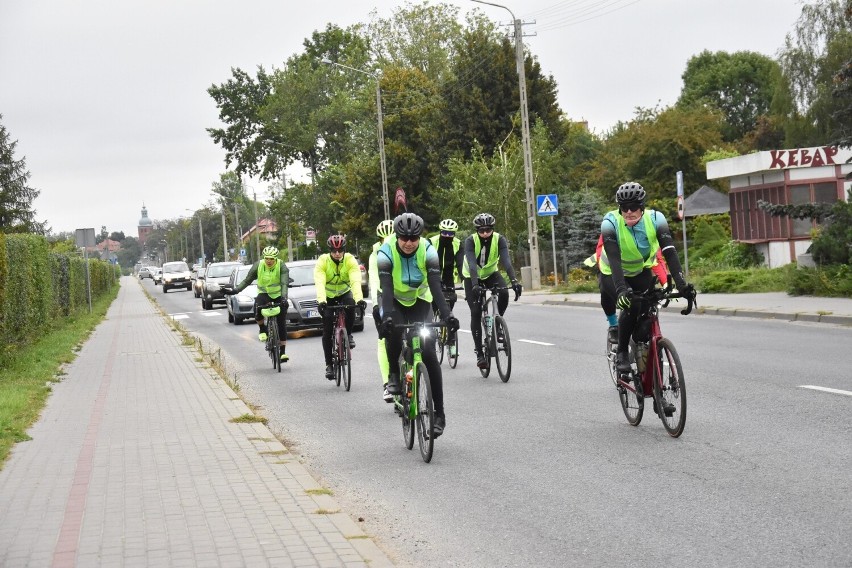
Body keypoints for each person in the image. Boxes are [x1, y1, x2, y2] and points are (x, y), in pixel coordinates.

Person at [600, 181, 695, 375]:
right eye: (624, 207)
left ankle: (646, 351)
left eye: (633, 207)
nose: (628, 212)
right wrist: (621, 290)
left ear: (642, 207)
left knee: (648, 308)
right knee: (630, 304)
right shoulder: (610, 222)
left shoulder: (656, 219)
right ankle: (622, 354)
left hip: (640, 271)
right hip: (613, 273)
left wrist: (682, 284)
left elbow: (668, 250)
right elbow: (614, 259)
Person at [378, 212, 459, 438]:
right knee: (393, 329)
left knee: (429, 353)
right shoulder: (386, 252)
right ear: (397, 235)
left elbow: (435, 286)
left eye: (414, 238)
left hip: (420, 299)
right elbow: (386, 288)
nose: (409, 243)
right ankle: (394, 374)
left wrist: (447, 315)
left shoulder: (428, 250)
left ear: (420, 237)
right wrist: (386, 318)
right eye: (404, 238)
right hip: (392, 297)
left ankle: (439, 414)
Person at [462, 213, 522, 369]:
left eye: (488, 230)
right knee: (475, 312)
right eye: (481, 230)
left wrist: (514, 281)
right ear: (477, 230)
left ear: (492, 229)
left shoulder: (499, 239)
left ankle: (497, 323)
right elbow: (472, 263)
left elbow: (506, 261)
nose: (485, 233)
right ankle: (479, 353)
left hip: (490, 274)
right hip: (471, 276)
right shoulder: (470, 241)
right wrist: (475, 284)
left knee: (504, 292)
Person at [585, 233, 669, 345]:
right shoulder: (613, 225)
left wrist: (667, 285)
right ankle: (614, 325)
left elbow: (657, 259)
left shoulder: (649, 227)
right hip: (610, 268)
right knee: (606, 290)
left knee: (646, 300)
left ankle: (638, 334)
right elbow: (601, 251)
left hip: (636, 271)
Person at [222, 246, 290, 362]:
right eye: (267, 258)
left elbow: (284, 283)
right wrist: (235, 291)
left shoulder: (281, 266)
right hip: (263, 294)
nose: (269, 261)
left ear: (276, 259)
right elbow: (247, 280)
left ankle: (282, 352)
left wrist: (284, 298)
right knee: (257, 308)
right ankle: (262, 329)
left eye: (272, 259)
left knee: (281, 323)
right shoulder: (258, 265)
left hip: (278, 294)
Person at [315, 234, 366, 380]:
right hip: (328, 296)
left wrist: (359, 299)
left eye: (340, 250)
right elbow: (319, 282)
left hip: (344, 292)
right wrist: (321, 301)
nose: (337, 254)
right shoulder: (322, 261)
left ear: (344, 250)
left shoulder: (350, 260)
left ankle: (348, 334)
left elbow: (355, 280)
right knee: (327, 327)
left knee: (351, 307)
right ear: (330, 250)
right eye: (334, 251)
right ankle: (329, 365)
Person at [369, 219, 395, 402]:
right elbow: (374, 280)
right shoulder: (375, 255)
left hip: (403, 294)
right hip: (382, 293)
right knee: (384, 338)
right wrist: (376, 305)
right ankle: (387, 383)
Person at [428, 218, 464, 311]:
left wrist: (464, 280)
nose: (447, 236)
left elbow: (461, 264)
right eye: (444, 232)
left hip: (449, 278)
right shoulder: (431, 242)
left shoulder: (458, 244)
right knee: (433, 305)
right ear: (440, 231)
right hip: (433, 276)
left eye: (450, 233)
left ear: (454, 234)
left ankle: (446, 323)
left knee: (449, 308)